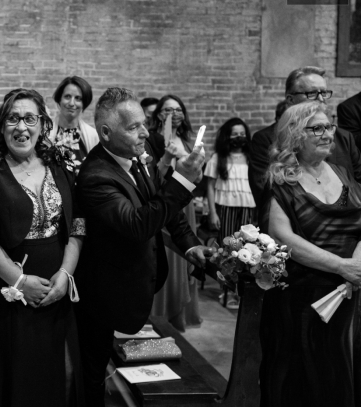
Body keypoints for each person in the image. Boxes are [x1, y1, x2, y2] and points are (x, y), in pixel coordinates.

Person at [75, 87, 211, 406]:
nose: (144, 133)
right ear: (106, 133)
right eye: (133, 127)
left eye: (143, 124)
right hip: (102, 292)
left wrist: (191, 245)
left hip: (135, 279)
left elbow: (159, 201)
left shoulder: (140, 151)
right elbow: (138, 224)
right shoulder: (95, 176)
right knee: (91, 372)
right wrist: (183, 180)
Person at [0, 88, 85, 407]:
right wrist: (20, 282)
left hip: (55, 283)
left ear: (44, 124)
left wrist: (65, 276)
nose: (21, 127)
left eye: (30, 118)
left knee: (57, 370)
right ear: (1, 127)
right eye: (12, 118)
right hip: (5, 287)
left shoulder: (59, 165)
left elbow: (76, 227)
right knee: (13, 371)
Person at [260, 101, 361, 407]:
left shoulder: (342, 172)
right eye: (316, 128)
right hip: (303, 300)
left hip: (349, 291)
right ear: (294, 135)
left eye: (329, 126)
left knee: (344, 375)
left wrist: (357, 266)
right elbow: (283, 237)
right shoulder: (282, 180)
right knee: (304, 379)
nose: (327, 133)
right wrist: (342, 266)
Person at [249, 66, 361, 209]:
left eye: (324, 92)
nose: (321, 99)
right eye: (312, 93)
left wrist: (341, 217)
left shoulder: (343, 137)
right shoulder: (266, 139)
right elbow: (264, 194)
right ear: (290, 99)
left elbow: (357, 183)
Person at [148, 94, 202, 330]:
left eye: (179, 109)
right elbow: (156, 174)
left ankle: (178, 313)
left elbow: (197, 176)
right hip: (166, 199)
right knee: (167, 254)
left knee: (184, 253)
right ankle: (160, 311)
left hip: (186, 201)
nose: (175, 114)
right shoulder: (155, 139)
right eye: (169, 110)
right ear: (159, 114)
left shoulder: (186, 140)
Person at [204, 118, 257, 309]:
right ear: (227, 135)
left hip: (248, 208)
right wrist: (212, 212)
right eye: (235, 134)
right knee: (227, 249)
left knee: (246, 250)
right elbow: (209, 187)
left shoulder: (252, 157)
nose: (239, 137)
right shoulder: (218, 158)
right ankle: (226, 290)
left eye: (242, 133)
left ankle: (240, 291)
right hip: (225, 207)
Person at [48, 76, 99, 172]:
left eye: (78, 98)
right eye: (67, 97)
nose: (72, 103)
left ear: (84, 103)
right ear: (59, 99)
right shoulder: (46, 134)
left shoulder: (94, 136)